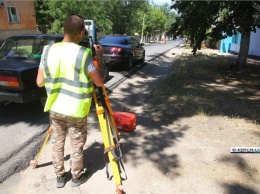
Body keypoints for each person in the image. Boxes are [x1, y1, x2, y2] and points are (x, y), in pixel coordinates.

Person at [36, 14, 105, 188]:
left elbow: (39, 82)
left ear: (64, 30)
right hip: (76, 110)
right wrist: (100, 58)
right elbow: (99, 81)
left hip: (55, 108)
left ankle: (59, 177)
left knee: (57, 143)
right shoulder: (84, 54)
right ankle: (77, 177)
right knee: (76, 144)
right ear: (82, 32)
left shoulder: (47, 51)